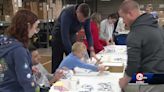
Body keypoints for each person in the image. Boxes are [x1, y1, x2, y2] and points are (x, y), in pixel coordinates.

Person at [118, 0, 164, 91]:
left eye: (123, 18)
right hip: (160, 74)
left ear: (130, 14)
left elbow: (133, 64)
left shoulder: (135, 33)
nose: (123, 22)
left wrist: (124, 81)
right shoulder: (156, 26)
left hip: (152, 79)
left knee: (125, 85)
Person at [0, 10, 40, 92]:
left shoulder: (4, 42)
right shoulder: (19, 50)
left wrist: (26, 67)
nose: (35, 32)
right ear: (28, 26)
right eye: (35, 27)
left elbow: (6, 65)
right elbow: (26, 81)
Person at [51, 3, 97, 73]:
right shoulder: (67, 13)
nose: (82, 21)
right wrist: (72, 54)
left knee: (74, 64)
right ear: (77, 12)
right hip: (59, 36)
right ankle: (54, 80)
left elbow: (88, 33)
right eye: (81, 18)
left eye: (84, 19)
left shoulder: (86, 17)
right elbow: (64, 35)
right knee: (57, 62)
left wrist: (92, 50)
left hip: (72, 35)